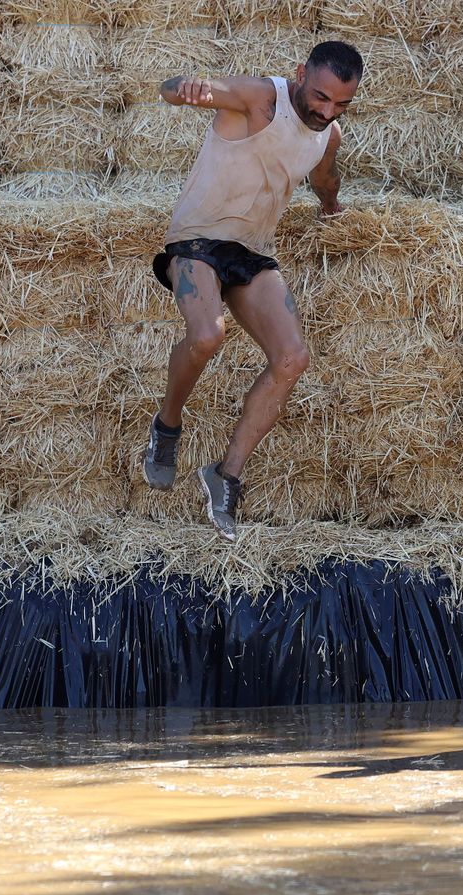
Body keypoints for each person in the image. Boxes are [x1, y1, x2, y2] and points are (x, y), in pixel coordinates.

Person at [141, 41, 364, 540]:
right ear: (301, 72)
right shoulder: (259, 97)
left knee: (293, 358)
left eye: (341, 104)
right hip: (197, 241)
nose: (327, 111)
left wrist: (331, 207)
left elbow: (324, 178)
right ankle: (168, 425)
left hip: (253, 252)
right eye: (321, 96)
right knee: (207, 335)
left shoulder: (327, 135)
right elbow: (171, 89)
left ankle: (225, 475)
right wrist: (185, 88)